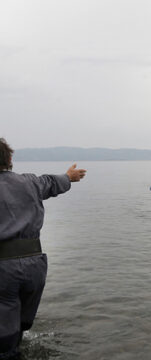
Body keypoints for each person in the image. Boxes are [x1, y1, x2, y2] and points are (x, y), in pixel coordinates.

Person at [0, 138, 86, 359]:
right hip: (35, 266)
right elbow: (52, 182)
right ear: (10, 159)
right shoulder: (29, 182)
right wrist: (69, 177)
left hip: (4, 270)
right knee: (21, 325)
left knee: (5, 335)